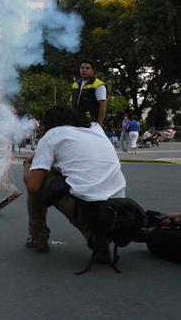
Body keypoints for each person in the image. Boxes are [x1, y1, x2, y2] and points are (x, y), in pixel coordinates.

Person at [23, 106, 126, 261]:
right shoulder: (96, 128)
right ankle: (99, 236)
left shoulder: (52, 135)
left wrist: (27, 165)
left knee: (41, 179)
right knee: (72, 181)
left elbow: (33, 185)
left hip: (91, 208)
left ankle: (39, 238)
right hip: (118, 207)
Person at [71, 59, 107, 126]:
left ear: (93, 71)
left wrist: (99, 124)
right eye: (82, 68)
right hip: (76, 122)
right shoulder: (75, 85)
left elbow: (103, 106)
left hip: (92, 122)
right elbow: (73, 104)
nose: (84, 70)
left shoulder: (98, 84)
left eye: (87, 68)